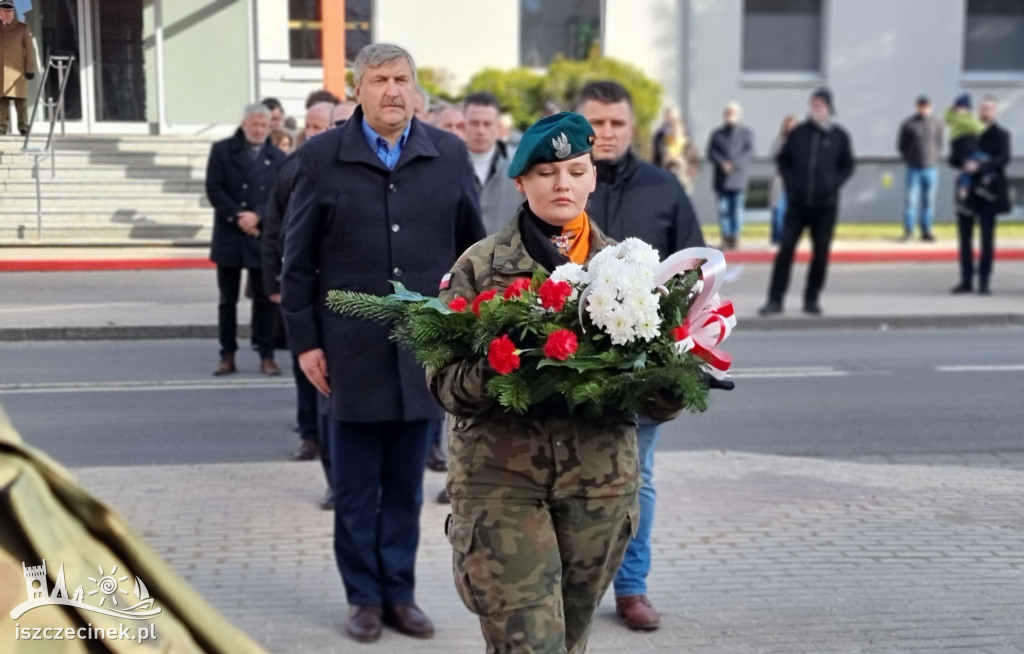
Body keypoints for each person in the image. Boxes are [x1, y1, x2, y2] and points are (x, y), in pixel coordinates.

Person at [430, 111, 686, 653]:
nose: (562, 183)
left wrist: (672, 379)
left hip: (599, 485)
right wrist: (508, 362)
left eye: (575, 170)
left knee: (569, 639)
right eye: (546, 172)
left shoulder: (630, 271)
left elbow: (659, 403)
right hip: (502, 483)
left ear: (594, 177)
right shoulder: (479, 268)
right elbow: (444, 384)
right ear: (521, 182)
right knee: (530, 644)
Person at [281, 43, 484, 643]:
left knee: (405, 487)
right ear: (358, 91)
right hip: (346, 356)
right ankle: (363, 599)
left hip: (423, 356)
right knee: (353, 490)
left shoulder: (447, 155)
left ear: (414, 89)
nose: (392, 90)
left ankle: (400, 594)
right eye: (378, 80)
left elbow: (472, 254)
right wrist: (305, 344)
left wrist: (464, 334)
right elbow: (296, 263)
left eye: (401, 79)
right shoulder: (321, 157)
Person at [576, 80, 705, 632]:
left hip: (643, 367)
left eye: (616, 124)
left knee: (638, 478)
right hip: (568, 364)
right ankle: (574, 585)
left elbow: (697, 273)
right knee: (573, 478)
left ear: (632, 127)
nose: (606, 133)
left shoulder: (664, 188)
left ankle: (632, 588)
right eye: (596, 124)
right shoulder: (562, 182)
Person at [262, 101, 335, 476]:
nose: (314, 133)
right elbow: (276, 228)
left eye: (321, 126)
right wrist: (276, 280)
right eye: (309, 126)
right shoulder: (292, 167)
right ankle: (309, 434)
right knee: (306, 366)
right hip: (305, 288)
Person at [205, 103, 286, 375]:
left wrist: (258, 217)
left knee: (264, 300)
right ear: (244, 124)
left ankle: (266, 353)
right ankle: (227, 354)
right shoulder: (222, 150)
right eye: (255, 125)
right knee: (227, 300)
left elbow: (280, 194)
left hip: (260, 235)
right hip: (230, 233)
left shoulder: (277, 157)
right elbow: (214, 188)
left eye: (264, 126)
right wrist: (238, 216)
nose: (259, 130)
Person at [760, 88, 855, 317]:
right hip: (797, 204)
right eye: (814, 103)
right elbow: (783, 160)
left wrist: (833, 184)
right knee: (785, 251)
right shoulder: (799, 133)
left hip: (826, 206)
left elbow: (848, 166)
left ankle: (812, 299)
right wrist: (792, 185)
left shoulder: (839, 136)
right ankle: (775, 300)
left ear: (829, 107)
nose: (816, 107)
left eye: (821, 104)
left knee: (820, 253)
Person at [950, 95, 1011, 295]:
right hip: (967, 193)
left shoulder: (1001, 135)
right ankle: (966, 279)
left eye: (990, 108)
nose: (986, 111)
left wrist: (981, 166)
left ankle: (984, 280)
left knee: (986, 238)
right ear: (978, 110)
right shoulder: (967, 132)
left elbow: (1003, 158)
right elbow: (952, 158)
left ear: (995, 112)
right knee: (965, 237)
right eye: (983, 108)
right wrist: (963, 164)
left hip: (989, 193)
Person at [464, 92, 522, 235]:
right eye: (474, 123)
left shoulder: (519, 168)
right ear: (464, 124)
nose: (480, 130)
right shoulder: (447, 167)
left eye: (487, 124)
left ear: (497, 126)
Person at [706, 102, 754, 250]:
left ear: (738, 115)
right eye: (727, 113)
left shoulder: (746, 133)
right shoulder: (717, 134)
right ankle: (726, 237)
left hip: (738, 179)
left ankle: (735, 237)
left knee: (737, 210)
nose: (730, 116)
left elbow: (749, 151)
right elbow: (711, 152)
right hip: (721, 179)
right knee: (723, 210)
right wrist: (722, 163)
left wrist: (734, 164)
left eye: (732, 113)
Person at [897, 96, 943, 241]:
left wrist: (934, 156)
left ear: (931, 106)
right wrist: (909, 157)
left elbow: (940, 142)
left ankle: (926, 230)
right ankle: (909, 231)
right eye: (921, 106)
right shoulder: (909, 124)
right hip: (913, 168)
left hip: (931, 167)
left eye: (927, 106)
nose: (924, 108)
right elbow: (901, 145)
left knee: (929, 201)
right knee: (911, 200)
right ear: (917, 107)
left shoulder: (936, 123)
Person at [0, 0, 37, 137]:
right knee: (1, 101)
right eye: (4, 11)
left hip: (17, 70)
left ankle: (23, 126)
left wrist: (30, 69)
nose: (7, 13)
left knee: (20, 101)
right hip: (1, 71)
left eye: (9, 11)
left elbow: (30, 50)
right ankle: (2, 126)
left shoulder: (22, 28)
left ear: (13, 12)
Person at [769, 114, 800, 245]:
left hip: (796, 180)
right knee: (778, 209)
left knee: (792, 211)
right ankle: (777, 239)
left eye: (793, 124)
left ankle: (789, 238)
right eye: (789, 124)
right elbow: (773, 156)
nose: (791, 127)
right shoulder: (779, 140)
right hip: (781, 179)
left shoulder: (801, 141)